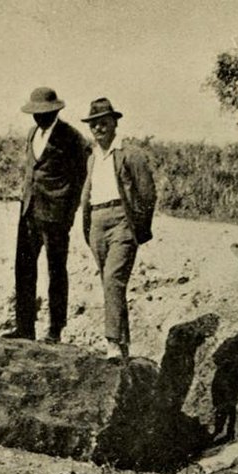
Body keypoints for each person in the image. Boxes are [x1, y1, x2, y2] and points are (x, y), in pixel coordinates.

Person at [3, 87, 89, 343]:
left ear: (55, 111)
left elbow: (80, 179)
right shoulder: (32, 134)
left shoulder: (71, 137)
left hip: (55, 215)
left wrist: (69, 212)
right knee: (24, 269)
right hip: (29, 211)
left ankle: (55, 329)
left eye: (44, 113)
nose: (38, 117)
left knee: (56, 271)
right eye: (35, 113)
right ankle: (24, 327)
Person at [79, 98, 156, 360]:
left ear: (114, 123)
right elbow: (87, 194)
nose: (98, 128)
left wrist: (138, 229)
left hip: (123, 221)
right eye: (94, 125)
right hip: (97, 221)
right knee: (110, 283)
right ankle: (123, 345)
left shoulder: (130, 154)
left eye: (103, 123)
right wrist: (88, 226)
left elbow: (147, 194)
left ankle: (112, 342)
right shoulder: (92, 158)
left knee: (113, 278)